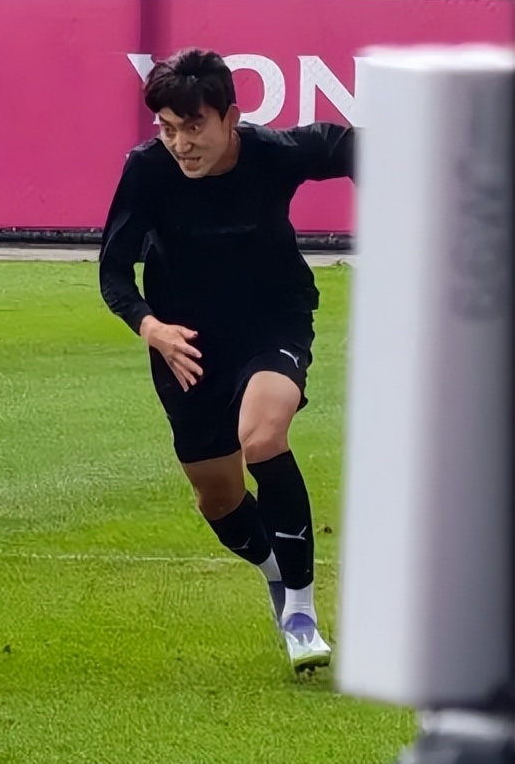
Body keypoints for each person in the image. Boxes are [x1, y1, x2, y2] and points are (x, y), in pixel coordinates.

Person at [97, 48, 354, 674]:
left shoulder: (273, 153)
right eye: (167, 128)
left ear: (231, 118)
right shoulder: (147, 169)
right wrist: (152, 328)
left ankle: (300, 613)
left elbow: (350, 146)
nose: (180, 144)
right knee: (217, 497)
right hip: (186, 344)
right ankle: (276, 572)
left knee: (262, 436)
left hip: (272, 322)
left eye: (193, 127)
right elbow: (113, 272)